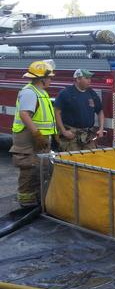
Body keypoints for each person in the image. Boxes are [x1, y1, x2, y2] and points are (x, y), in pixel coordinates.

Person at [9, 60, 57, 207]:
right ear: (42, 78)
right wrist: (37, 134)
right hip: (28, 138)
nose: (51, 80)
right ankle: (26, 201)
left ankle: (36, 198)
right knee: (29, 168)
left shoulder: (40, 92)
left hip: (38, 138)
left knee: (40, 168)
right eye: (50, 77)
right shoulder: (29, 92)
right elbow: (24, 114)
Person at [54, 69, 105, 151]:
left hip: (88, 136)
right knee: (73, 160)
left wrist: (101, 129)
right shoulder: (66, 93)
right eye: (86, 78)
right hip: (72, 135)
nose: (89, 81)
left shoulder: (92, 93)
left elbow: (100, 111)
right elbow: (57, 112)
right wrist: (64, 131)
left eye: (90, 78)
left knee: (90, 158)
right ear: (78, 79)